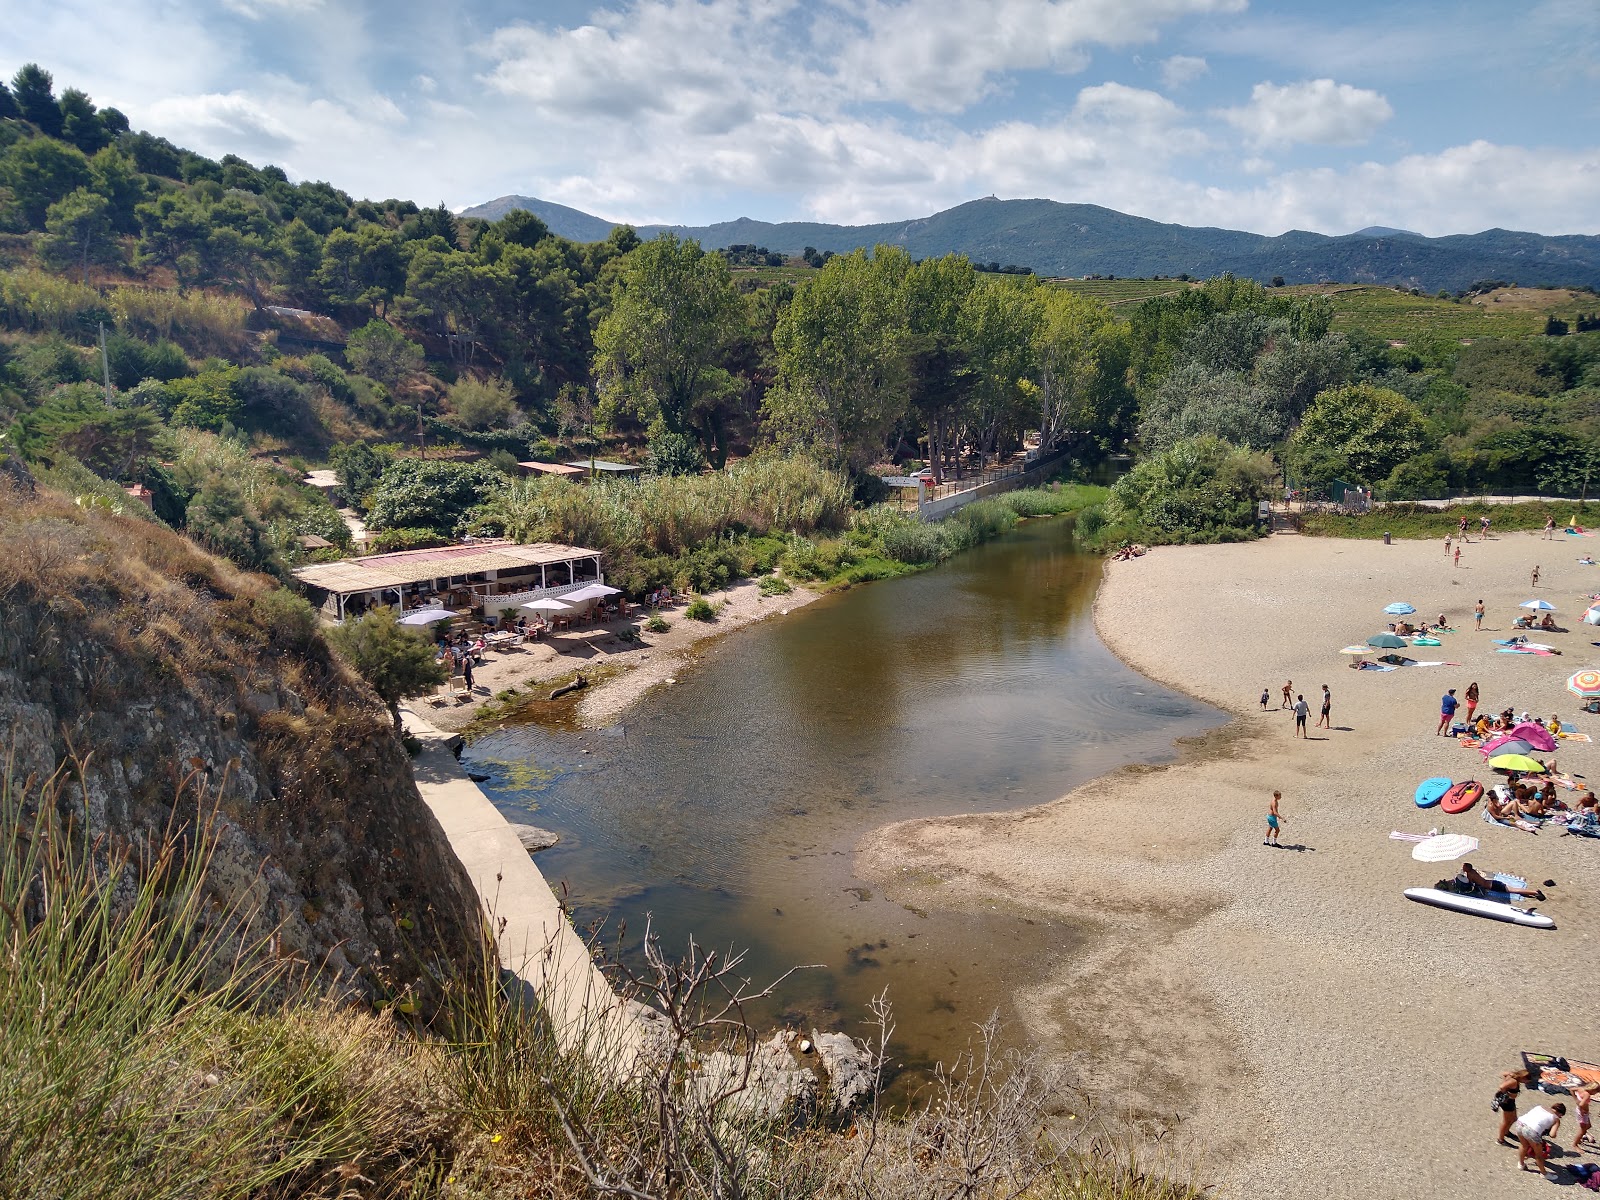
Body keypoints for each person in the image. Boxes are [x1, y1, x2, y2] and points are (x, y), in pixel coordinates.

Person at [1510, 1102, 1565, 1175]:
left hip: (1520, 1123)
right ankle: (1544, 1173)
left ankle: (1521, 1164)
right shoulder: (1556, 1119)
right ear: (1560, 1114)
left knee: (1524, 1145)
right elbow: (1552, 1134)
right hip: (1532, 1130)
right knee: (1539, 1155)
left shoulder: (1540, 1106)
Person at [1456, 862, 1545, 900]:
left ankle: (1535, 892)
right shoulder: (1473, 871)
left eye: (1464, 867)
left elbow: (1470, 883)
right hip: (1492, 883)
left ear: (1467, 868)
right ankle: (1534, 892)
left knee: (1514, 890)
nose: (1462, 867)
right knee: (1513, 889)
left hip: (1493, 886)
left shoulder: (1470, 874)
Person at [1495, 1070, 1528, 1145]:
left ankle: (1506, 1132)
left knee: (1514, 1118)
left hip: (1511, 1102)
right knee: (1506, 1121)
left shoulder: (1512, 1075)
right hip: (1507, 1103)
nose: (1526, 1083)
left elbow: (1503, 1073)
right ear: (1523, 1078)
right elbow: (1501, 1087)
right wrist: (1506, 1094)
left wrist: (1507, 1077)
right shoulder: (1514, 1082)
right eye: (1526, 1081)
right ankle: (1500, 1139)